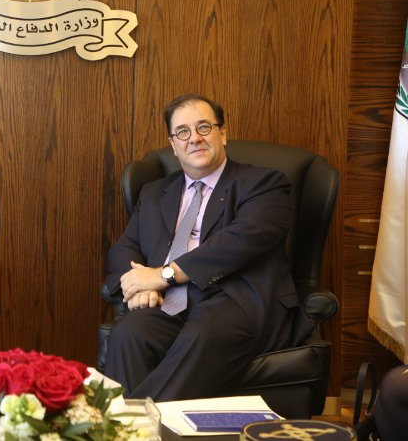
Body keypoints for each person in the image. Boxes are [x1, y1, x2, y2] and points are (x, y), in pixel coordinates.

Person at [104, 94, 313, 401]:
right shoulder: (154, 193)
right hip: (170, 303)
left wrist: (163, 275)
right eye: (182, 132)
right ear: (173, 144)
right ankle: (134, 424)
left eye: (204, 127)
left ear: (223, 134)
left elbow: (240, 242)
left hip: (237, 300)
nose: (194, 138)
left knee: (202, 334)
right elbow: (125, 248)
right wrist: (137, 286)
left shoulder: (264, 184)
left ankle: (127, 424)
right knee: (128, 334)